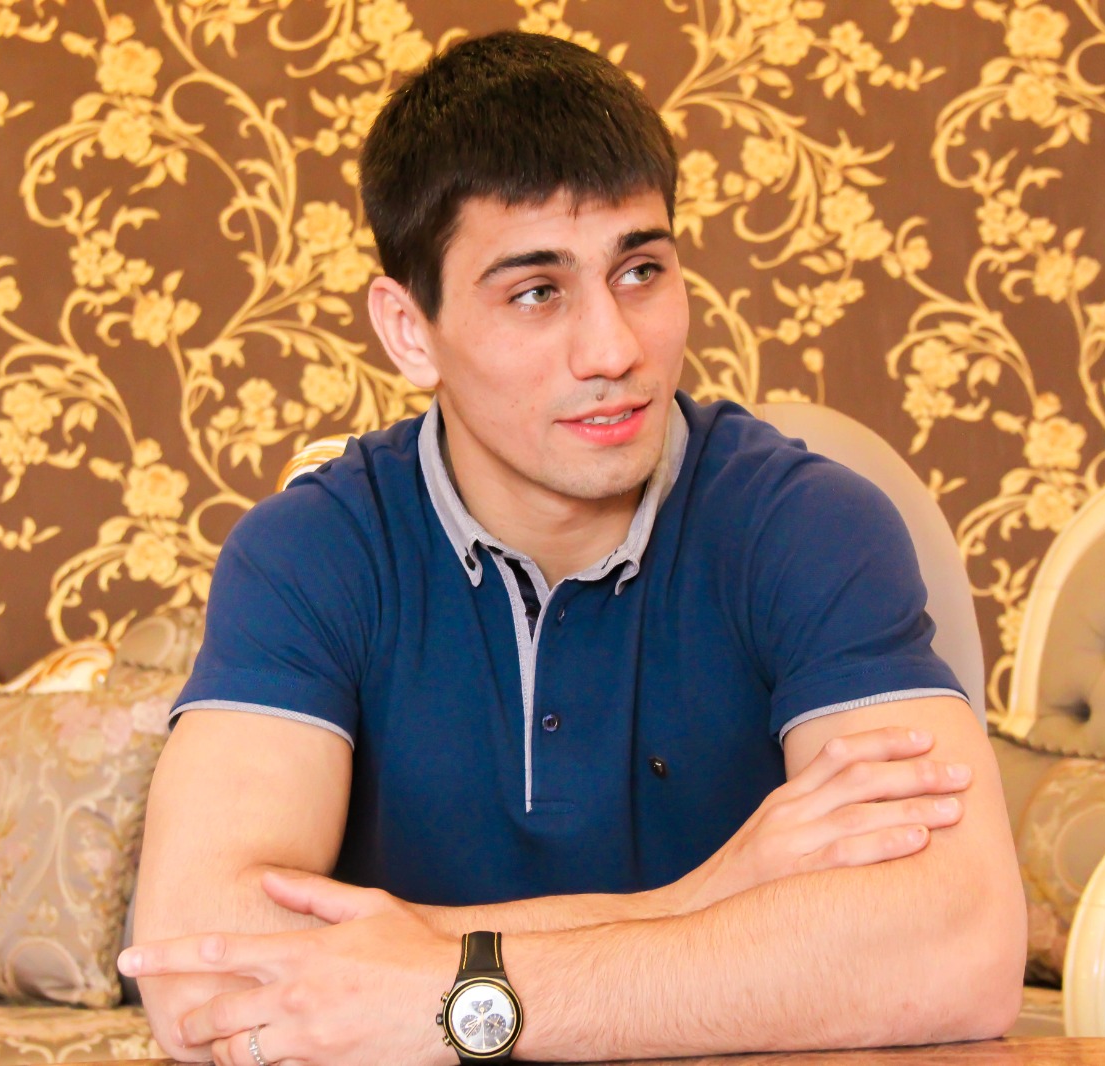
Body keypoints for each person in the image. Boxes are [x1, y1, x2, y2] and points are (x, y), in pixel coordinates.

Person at [122, 30, 1026, 1066]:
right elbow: (202, 972)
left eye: (640, 271)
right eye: (536, 292)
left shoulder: (811, 524)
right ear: (409, 330)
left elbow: (956, 946)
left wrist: (448, 992)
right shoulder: (309, 552)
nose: (614, 350)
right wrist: (709, 895)